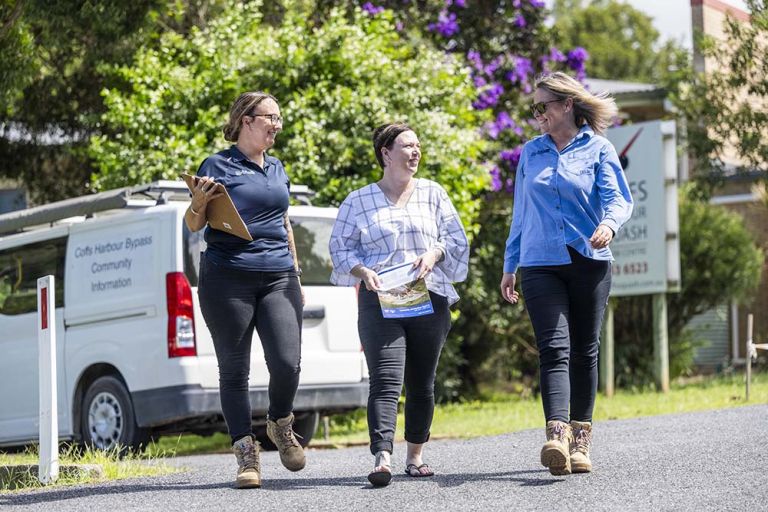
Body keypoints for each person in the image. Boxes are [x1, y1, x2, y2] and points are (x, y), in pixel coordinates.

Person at [499, 72, 633, 475]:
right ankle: (555, 436)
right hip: (540, 262)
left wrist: (608, 224)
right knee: (553, 348)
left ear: (566, 106)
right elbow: (520, 212)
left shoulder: (599, 149)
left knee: (584, 350)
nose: (537, 114)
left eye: (542, 106)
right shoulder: (531, 152)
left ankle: (581, 441)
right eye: (534, 108)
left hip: (589, 261)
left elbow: (618, 199)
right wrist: (510, 264)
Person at [329, 123, 469, 487]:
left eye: (418, 146)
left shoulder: (433, 194)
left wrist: (434, 253)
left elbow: (455, 239)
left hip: (429, 298)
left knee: (421, 382)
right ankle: (383, 456)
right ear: (386, 153)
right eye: (407, 146)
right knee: (386, 379)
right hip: (380, 301)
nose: (415, 152)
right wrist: (362, 270)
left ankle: (415, 456)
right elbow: (340, 249)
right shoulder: (357, 200)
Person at [185, 91, 305, 489]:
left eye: (279, 118)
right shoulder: (216, 165)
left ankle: (280, 423)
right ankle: (245, 455)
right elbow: (193, 224)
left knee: (287, 363)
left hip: (278, 277)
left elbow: (283, 222)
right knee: (234, 371)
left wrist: (296, 274)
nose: (277, 125)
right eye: (270, 117)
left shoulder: (277, 167)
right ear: (246, 120)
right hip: (227, 278)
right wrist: (198, 202)